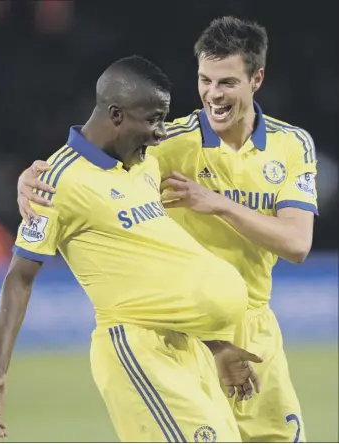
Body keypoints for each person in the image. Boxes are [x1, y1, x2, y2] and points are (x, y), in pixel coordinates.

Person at [18, 17, 319, 442]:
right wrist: (31, 176)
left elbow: (296, 243)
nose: (213, 94)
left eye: (227, 82)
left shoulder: (293, 146)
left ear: (257, 79)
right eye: (205, 80)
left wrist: (217, 204)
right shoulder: (168, 143)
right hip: (187, 333)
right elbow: (85, 164)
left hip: (256, 329)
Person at [0, 55, 262, 443]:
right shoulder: (55, 181)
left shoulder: (144, 166)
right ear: (116, 114)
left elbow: (154, 275)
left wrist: (216, 343)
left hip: (187, 344)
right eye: (152, 119)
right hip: (136, 350)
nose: (160, 131)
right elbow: (19, 277)